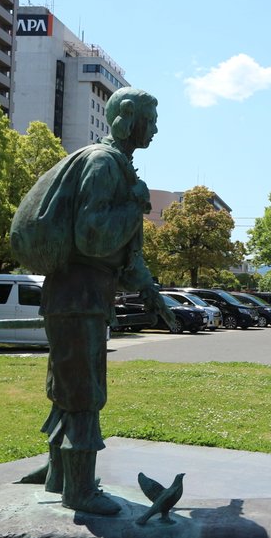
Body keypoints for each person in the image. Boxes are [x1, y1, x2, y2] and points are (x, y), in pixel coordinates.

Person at [17, 87, 174, 515]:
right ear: (129, 117)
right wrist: (136, 205)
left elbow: (121, 254)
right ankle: (79, 490)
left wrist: (150, 291)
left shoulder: (116, 167)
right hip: (78, 297)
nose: (156, 129)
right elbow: (94, 235)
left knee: (67, 388)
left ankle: (58, 475)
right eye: (151, 119)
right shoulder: (104, 164)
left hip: (80, 295)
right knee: (82, 392)